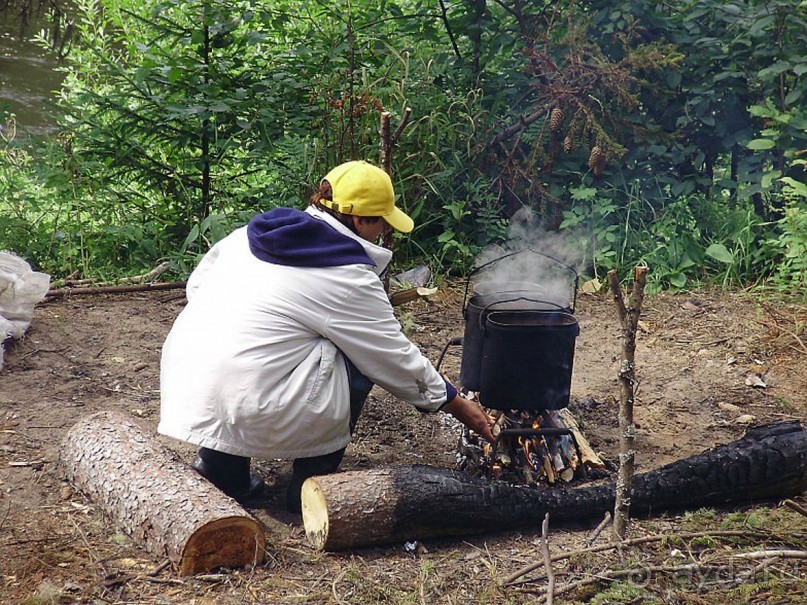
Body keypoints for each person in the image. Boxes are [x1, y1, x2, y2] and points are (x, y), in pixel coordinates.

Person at [158, 160, 494, 513]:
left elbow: (197, 286)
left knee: (249, 347)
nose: (382, 230)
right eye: (380, 220)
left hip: (189, 376)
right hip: (246, 399)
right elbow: (392, 358)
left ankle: (222, 470)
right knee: (356, 361)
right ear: (360, 220)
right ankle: (307, 489)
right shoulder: (347, 275)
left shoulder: (249, 235)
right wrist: (456, 403)